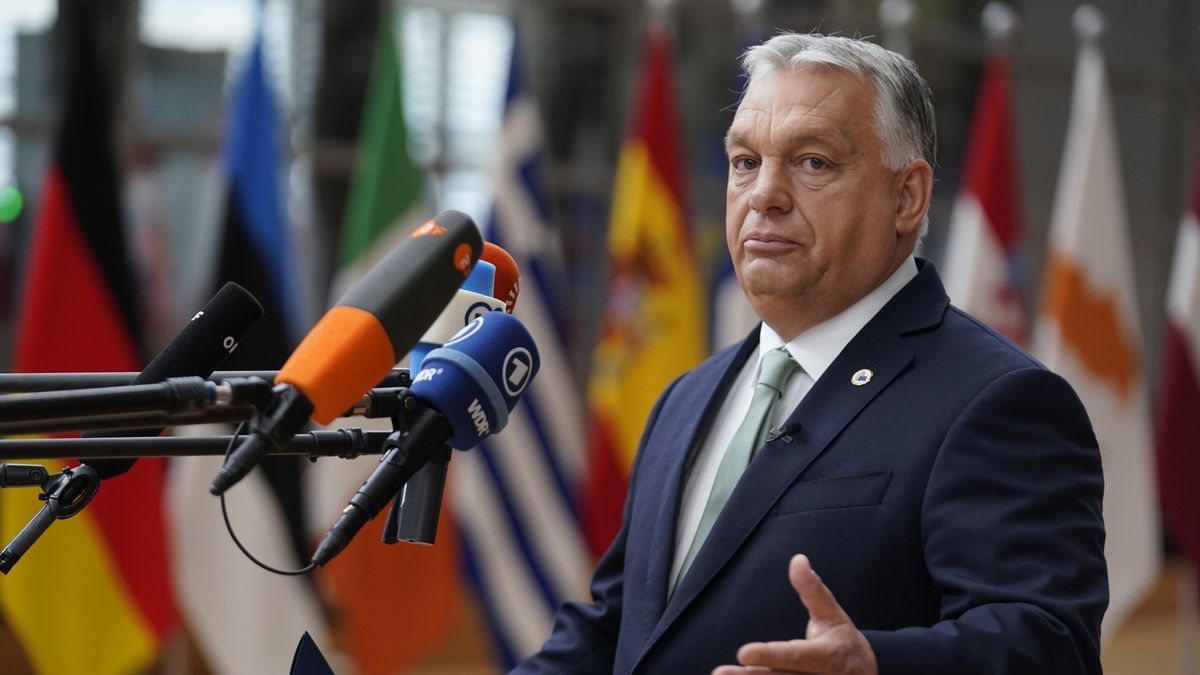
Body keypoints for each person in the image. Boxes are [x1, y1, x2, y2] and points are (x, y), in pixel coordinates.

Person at [513, 32, 1107, 675]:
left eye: (813, 162)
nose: (763, 194)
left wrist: (876, 666)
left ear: (907, 197)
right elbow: (619, 629)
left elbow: (1050, 645)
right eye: (745, 161)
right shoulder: (684, 399)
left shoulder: (999, 400)